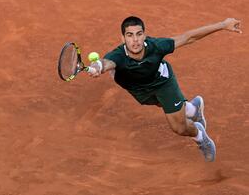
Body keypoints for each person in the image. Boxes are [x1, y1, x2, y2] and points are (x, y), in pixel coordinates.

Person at [88, 16, 242, 162]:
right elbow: (106, 63)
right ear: (123, 39)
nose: (135, 40)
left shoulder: (156, 46)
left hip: (162, 82)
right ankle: (193, 109)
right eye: (129, 35)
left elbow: (188, 37)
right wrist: (98, 66)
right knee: (162, 104)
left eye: (139, 34)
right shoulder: (117, 56)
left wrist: (222, 25)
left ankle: (200, 136)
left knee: (179, 128)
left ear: (144, 36)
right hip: (139, 89)